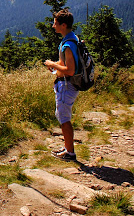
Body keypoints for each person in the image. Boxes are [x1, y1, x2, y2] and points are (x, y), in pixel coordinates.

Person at [44, 9, 80, 161]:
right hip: (66, 85)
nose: (53, 26)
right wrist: (57, 65)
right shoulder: (72, 38)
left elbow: (70, 70)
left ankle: (70, 153)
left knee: (64, 118)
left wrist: (53, 64)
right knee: (63, 116)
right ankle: (67, 148)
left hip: (67, 86)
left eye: (55, 23)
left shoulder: (67, 45)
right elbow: (65, 64)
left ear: (63, 25)